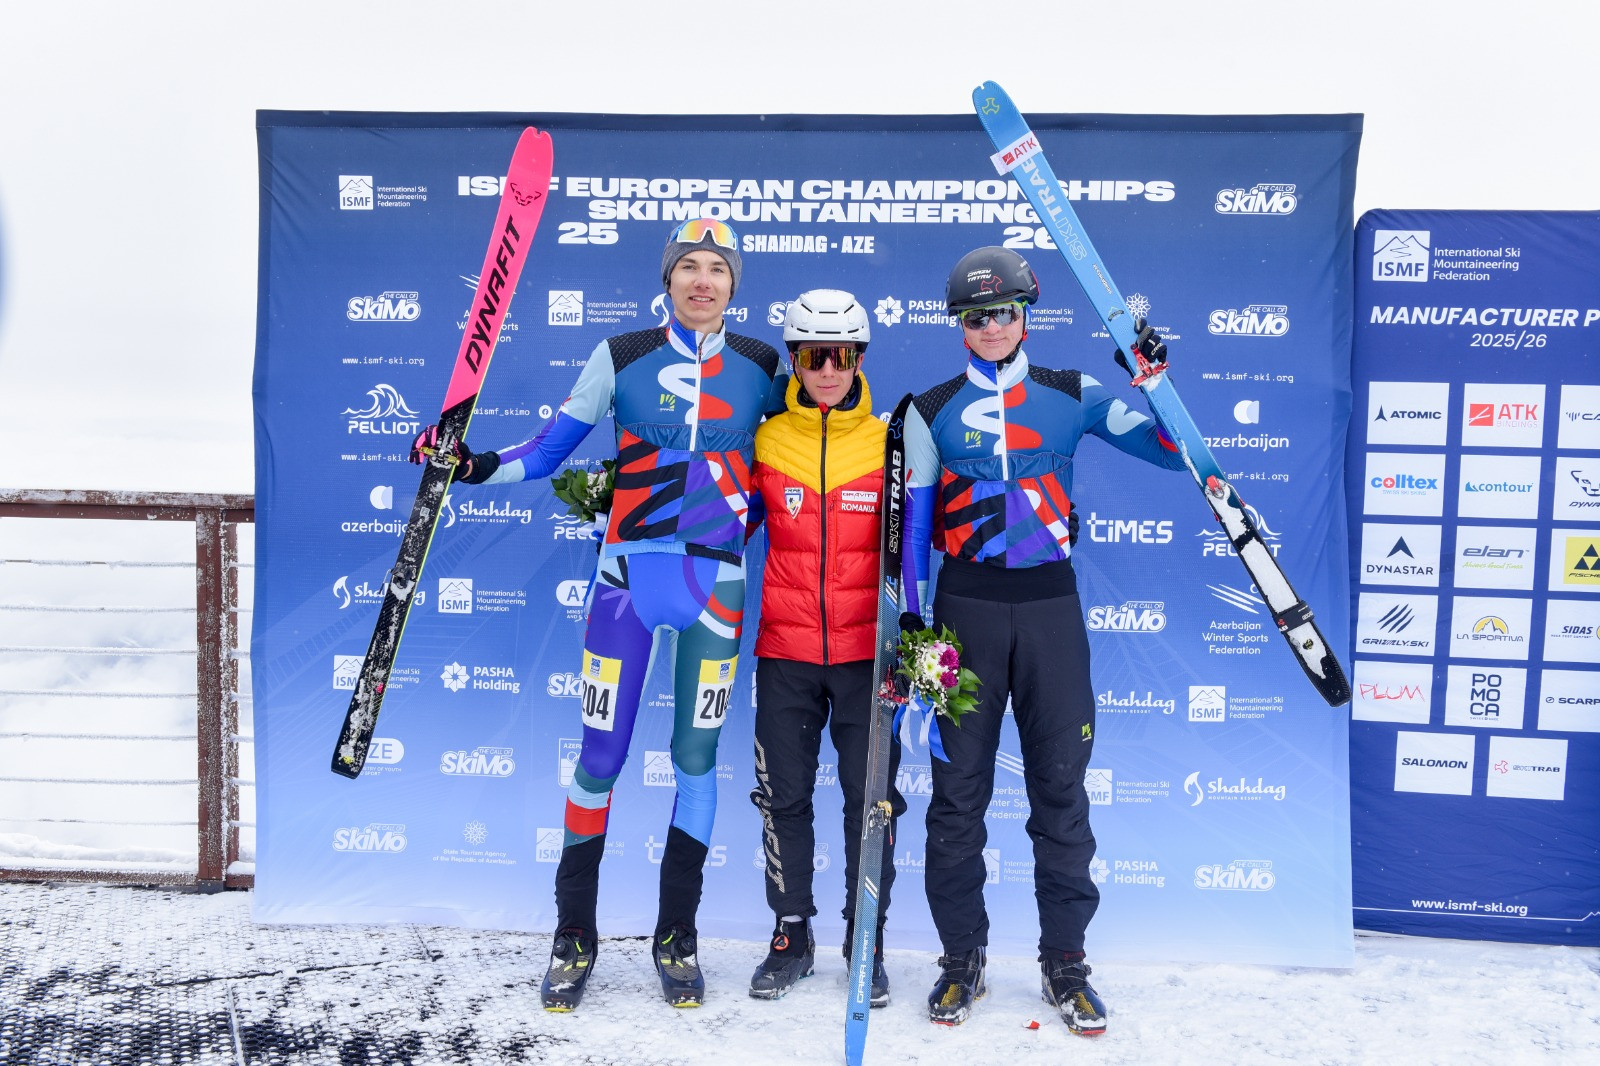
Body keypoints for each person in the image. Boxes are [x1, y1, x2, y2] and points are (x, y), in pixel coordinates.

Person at [410, 218, 781, 1010]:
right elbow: (548, 451)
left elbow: (791, 466)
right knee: (601, 758)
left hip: (717, 588)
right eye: (689, 266)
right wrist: (471, 465)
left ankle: (677, 936)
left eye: (718, 268)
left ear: (733, 285)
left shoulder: (762, 365)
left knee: (695, 759)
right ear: (668, 278)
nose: (703, 280)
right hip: (624, 585)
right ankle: (573, 934)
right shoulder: (620, 354)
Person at [902, 246, 1184, 1035]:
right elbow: (913, 533)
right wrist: (913, 631)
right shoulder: (928, 408)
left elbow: (1174, 454)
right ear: (959, 325)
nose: (991, 327)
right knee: (957, 800)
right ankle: (962, 960)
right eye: (976, 317)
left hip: (1050, 611)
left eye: (1003, 312)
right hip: (962, 614)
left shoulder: (1072, 392)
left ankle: (1066, 964)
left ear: (1025, 315)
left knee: (1061, 794)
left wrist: (1153, 380)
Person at [743, 289, 917, 1006]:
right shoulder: (764, 441)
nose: (826, 370)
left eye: (840, 355)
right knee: (782, 797)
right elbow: (722, 520)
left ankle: (863, 936)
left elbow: (923, 537)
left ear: (859, 359)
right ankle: (791, 933)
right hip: (785, 651)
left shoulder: (890, 441)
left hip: (865, 657)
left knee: (869, 802)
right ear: (793, 360)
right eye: (813, 356)